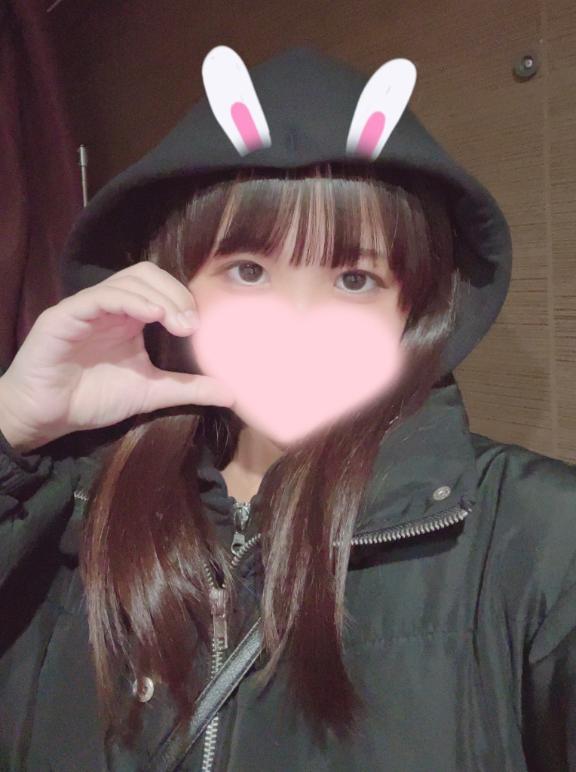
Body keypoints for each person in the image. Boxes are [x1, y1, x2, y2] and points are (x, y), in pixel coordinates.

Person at [0, 44, 575, 772]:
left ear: (412, 311)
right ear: (172, 288)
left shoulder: (536, 534)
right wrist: (11, 422)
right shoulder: (60, 499)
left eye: (356, 279)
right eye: (248, 270)